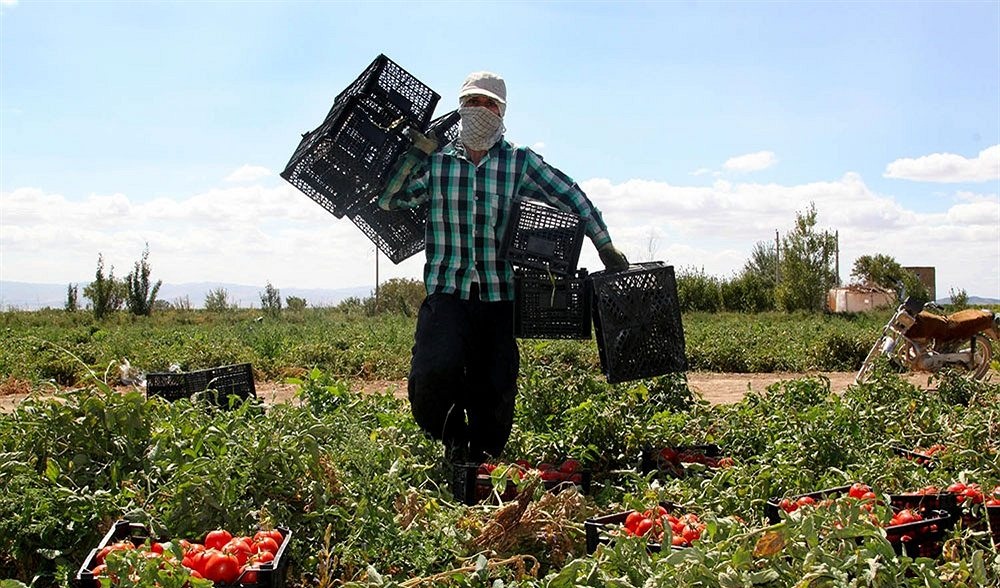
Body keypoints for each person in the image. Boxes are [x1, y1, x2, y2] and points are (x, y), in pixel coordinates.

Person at [378, 70, 628, 466]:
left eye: (487, 104)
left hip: (499, 297)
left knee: (494, 387)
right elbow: (390, 200)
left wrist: (604, 242)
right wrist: (416, 155)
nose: (479, 111)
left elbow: (570, 195)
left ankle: (481, 463)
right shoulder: (439, 165)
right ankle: (454, 441)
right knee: (432, 375)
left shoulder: (519, 163)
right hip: (448, 292)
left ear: (501, 111)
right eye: (471, 103)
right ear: (460, 109)